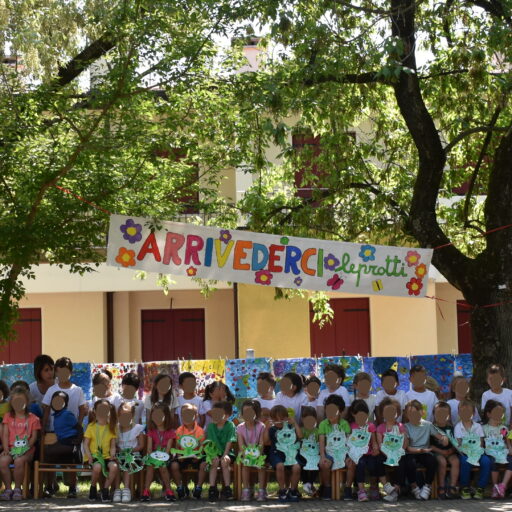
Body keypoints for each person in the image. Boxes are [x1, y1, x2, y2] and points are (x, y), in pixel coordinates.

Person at [0, 386, 41, 501]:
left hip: (27, 450)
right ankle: (8, 489)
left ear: (27, 402)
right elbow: (5, 435)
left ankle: (18, 488)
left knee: (19, 461)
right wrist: (5, 449)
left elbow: (33, 438)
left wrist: (24, 449)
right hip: (10, 449)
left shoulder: (34, 419)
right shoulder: (8, 417)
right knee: (2, 461)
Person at [404, 399, 448, 500]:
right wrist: (420, 450)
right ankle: (414, 487)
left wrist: (443, 439)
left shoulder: (428, 425)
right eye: (410, 414)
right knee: (409, 463)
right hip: (411, 452)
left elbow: (441, 436)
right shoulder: (406, 427)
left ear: (422, 412)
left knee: (432, 461)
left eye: (415, 413)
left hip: (425, 452)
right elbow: (407, 448)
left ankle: (427, 486)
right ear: (407, 415)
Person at [44, 390, 83, 498]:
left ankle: (72, 488)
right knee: (49, 455)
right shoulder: (55, 415)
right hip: (61, 441)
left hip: (70, 442)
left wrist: (79, 440)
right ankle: (50, 486)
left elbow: (78, 427)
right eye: (54, 401)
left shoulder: (67, 414)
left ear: (65, 403)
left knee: (69, 461)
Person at [264, 404, 303, 502]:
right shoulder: (272, 429)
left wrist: (295, 424)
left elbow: (300, 436)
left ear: (286, 417)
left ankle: (293, 490)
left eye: (281, 419)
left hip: (291, 453)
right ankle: (282, 490)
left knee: (297, 467)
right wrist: (266, 428)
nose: (279, 422)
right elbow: (265, 441)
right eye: (276, 419)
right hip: (276, 453)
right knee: (280, 466)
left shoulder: (290, 427)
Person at [455, 399, 492, 499]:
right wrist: (467, 453)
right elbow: (459, 444)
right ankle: (465, 488)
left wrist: (476, 453)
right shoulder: (458, 427)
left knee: (486, 461)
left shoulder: (478, 426)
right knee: (465, 461)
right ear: (459, 412)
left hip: (478, 452)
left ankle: (480, 488)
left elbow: (481, 442)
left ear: (473, 413)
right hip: (465, 453)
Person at [83, 399, 118, 502]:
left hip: (106, 457)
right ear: (95, 411)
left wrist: (112, 454)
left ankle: (105, 490)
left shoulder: (111, 427)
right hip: (94, 457)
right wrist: (89, 456)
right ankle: (93, 488)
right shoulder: (91, 426)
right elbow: (85, 444)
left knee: (114, 467)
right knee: (97, 467)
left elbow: (113, 445)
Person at [141, 402, 176, 502]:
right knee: (150, 466)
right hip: (152, 456)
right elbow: (149, 449)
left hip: (165, 457)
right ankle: (146, 491)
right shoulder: (151, 432)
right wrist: (149, 458)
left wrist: (161, 458)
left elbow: (168, 450)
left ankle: (168, 490)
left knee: (163, 466)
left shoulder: (171, 433)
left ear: (166, 417)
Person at [345, 399, 379, 502]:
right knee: (360, 464)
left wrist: (375, 449)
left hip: (369, 454)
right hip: (356, 455)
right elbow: (348, 443)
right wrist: (349, 456)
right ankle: (361, 490)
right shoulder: (351, 426)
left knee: (374, 464)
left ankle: (373, 487)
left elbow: (374, 442)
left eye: (364, 415)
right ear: (353, 414)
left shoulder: (370, 426)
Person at [42, 357, 87, 432]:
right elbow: (46, 410)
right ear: (56, 373)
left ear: (71, 372)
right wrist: (43, 428)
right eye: (59, 372)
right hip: (54, 431)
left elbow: (82, 410)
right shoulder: (51, 390)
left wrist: (79, 426)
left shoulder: (78, 390)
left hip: (71, 432)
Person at [171, 403, 206, 499]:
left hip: (196, 456)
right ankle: (180, 487)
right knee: (174, 465)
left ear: (196, 416)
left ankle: (198, 487)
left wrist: (198, 456)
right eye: (184, 415)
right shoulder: (179, 430)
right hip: (183, 456)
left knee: (204, 464)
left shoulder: (200, 431)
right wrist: (178, 455)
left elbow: (202, 448)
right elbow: (177, 447)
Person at [318, 394, 351, 500]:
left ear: (340, 412)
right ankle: (327, 487)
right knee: (324, 464)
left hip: (343, 453)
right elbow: (322, 442)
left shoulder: (345, 424)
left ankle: (348, 488)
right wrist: (323, 456)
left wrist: (350, 456)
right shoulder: (323, 424)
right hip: (329, 453)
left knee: (352, 463)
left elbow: (349, 442)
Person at [375, 397, 407, 503]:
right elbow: (380, 445)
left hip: (398, 453)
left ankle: (396, 489)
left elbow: (405, 441)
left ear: (397, 413)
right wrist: (388, 455)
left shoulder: (401, 426)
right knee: (378, 460)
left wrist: (398, 453)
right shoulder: (380, 428)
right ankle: (387, 487)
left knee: (402, 462)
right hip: (385, 453)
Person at [114, 402, 144, 503]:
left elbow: (141, 445)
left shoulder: (137, 428)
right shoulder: (116, 428)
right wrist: (118, 449)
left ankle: (126, 489)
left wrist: (130, 450)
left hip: (134, 456)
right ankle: (117, 489)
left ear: (132, 415)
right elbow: (114, 444)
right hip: (119, 455)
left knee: (128, 461)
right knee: (116, 463)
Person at [205, 401, 236, 501]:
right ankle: (212, 488)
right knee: (214, 462)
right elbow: (211, 442)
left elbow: (229, 441)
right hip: (214, 452)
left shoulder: (230, 426)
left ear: (227, 416)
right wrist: (213, 455)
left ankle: (227, 488)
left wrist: (225, 455)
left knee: (224, 462)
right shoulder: (210, 426)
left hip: (227, 452)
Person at [237, 399, 267, 501]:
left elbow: (261, 443)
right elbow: (241, 445)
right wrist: (247, 455)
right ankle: (246, 490)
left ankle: (262, 490)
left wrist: (258, 455)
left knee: (261, 466)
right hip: (246, 454)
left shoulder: (261, 426)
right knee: (245, 465)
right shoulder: (240, 428)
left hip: (258, 453)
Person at [481, 399, 512, 499]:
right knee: (493, 462)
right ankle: (495, 487)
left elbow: (507, 441)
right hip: (490, 453)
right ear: (488, 414)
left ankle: (503, 485)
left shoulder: (503, 428)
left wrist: (510, 449)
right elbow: (482, 443)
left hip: (502, 452)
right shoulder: (483, 428)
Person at [430, 401, 459, 499]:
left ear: (449, 415)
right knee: (442, 462)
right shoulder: (431, 428)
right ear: (434, 414)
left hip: (450, 452)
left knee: (456, 461)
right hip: (437, 452)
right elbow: (429, 445)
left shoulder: (452, 428)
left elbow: (456, 443)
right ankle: (441, 486)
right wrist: (441, 452)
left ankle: (452, 486)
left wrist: (451, 450)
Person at [299, 405, 320, 497]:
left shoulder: (318, 431)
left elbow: (321, 443)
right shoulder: (301, 430)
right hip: (302, 455)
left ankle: (310, 483)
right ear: (302, 419)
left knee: (317, 465)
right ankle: (306, 483)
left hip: (315, 455)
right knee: (301, 464)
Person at [29, 355, 55, 425]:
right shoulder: (32, 389)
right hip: (38, 427)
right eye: (46, 370)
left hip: (57, 427)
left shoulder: (60, 385)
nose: (50, 373)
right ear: (39, 371)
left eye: (52, 369)